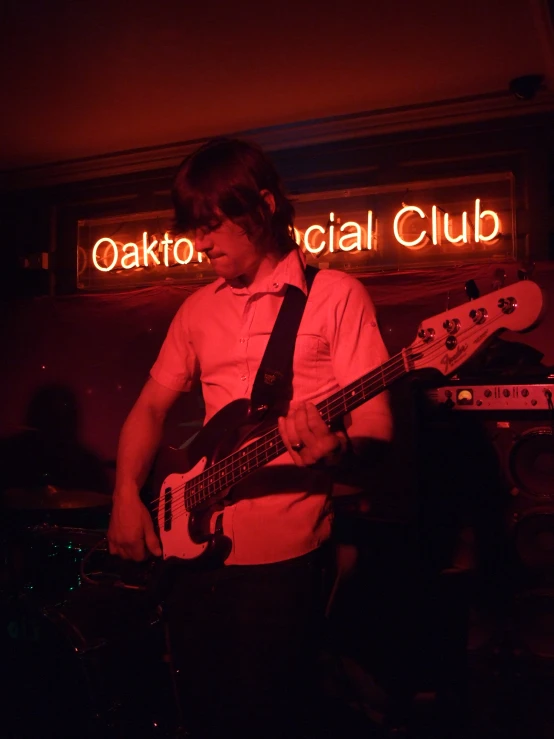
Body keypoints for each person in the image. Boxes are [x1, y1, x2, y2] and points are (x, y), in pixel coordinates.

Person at [107, 137, 393, 739]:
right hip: (189, 552)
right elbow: (151, 406)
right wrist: (125, 497)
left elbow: (375, 430)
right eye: (193, 228)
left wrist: (335, 452)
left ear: (261, 206)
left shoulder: (335, 296)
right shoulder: (196, 309)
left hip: (283, 566)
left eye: (211, 225)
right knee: (198, 711)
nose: (200, 242)